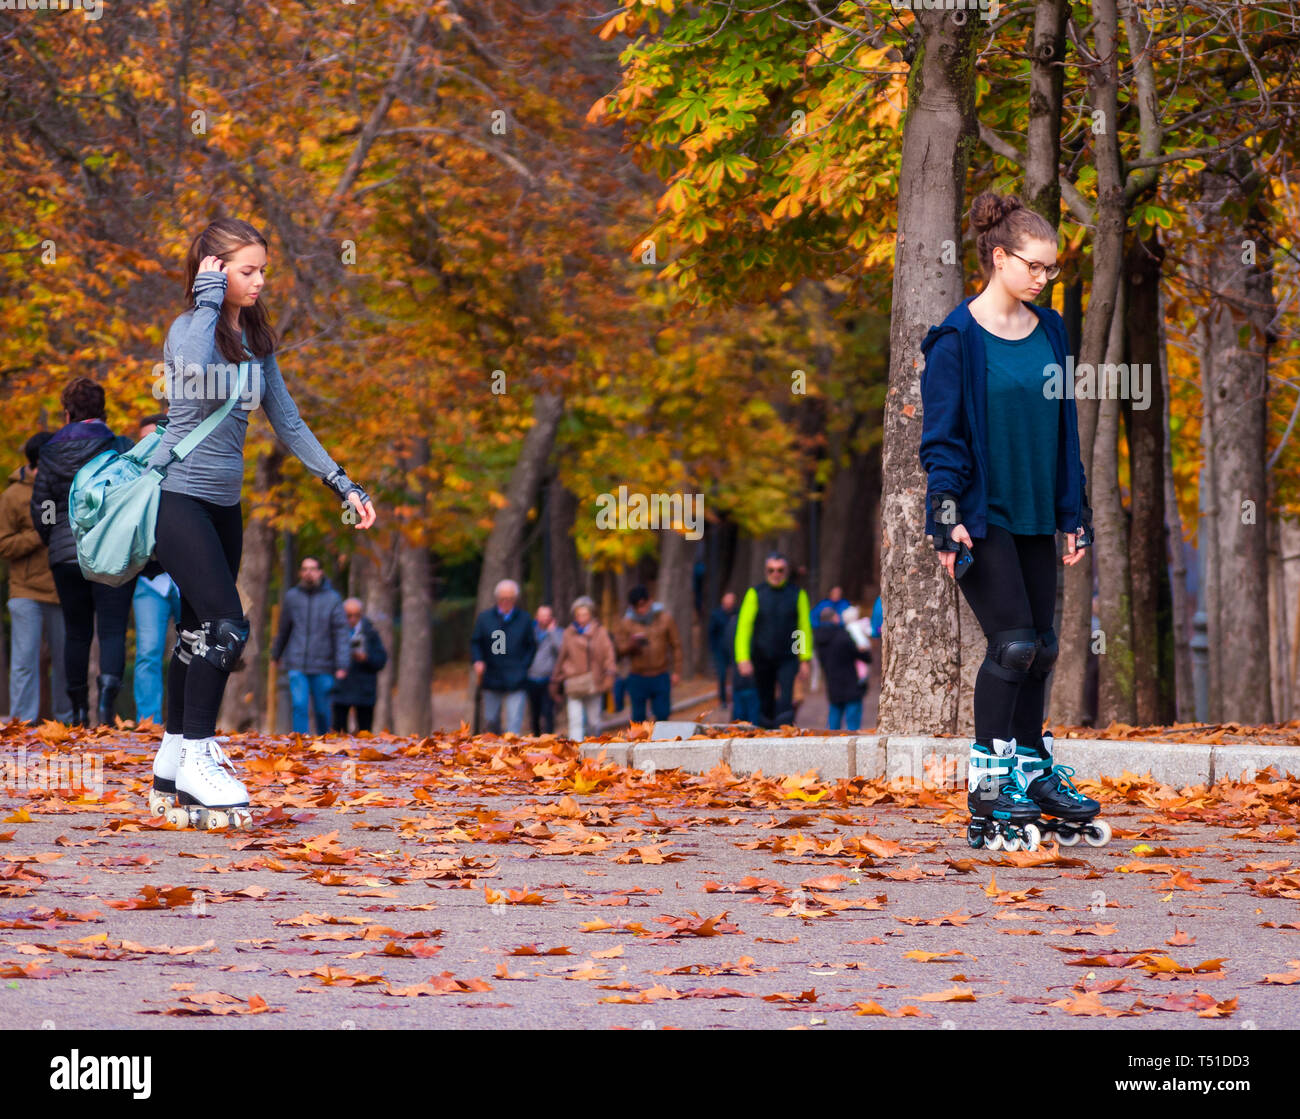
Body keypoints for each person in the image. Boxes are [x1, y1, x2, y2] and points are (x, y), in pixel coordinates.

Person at [143, 218, 376, 827]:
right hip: (178, 497)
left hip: (225, 504)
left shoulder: (255, 339)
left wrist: (341, 482)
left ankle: (173, 757)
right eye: (246, 270)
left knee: (196, 631)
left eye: (262, 269)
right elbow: (190, 372)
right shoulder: (188, 329)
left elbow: (289, 421)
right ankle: (197, 754)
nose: (259, 281)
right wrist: (208, 297)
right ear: (214, 271)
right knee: (227, 625)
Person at [919, 189, 1105, 852]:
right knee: (1014, 646)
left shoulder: (1050, 329)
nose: (1044, 278)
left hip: (1036, 512)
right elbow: (941, 440)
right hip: (981, 515)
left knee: (1044, 648)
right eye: (1035, 266)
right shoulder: (956, 340)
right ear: (999, 259)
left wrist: (1074, 512)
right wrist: (946, 519)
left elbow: (1064, 428)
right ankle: (990, 784)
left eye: (1051, 269)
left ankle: (1032, 772)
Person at [31, 379, 138, 727]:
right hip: (110, 550)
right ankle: (106, 706)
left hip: (65, 554)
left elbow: (44, 504)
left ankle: (77, 710)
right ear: (102, 410)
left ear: (67, 413)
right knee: (111, 630)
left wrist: (53, 534)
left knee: (76, 632)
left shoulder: (49, 452)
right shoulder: (119, 446)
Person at [1, 433, 71, 723]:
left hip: (61, 589)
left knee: (66, 662)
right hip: (25, 590)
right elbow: (4, 544)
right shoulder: (12, 496)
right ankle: (21, 722)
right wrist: (38, 535)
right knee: (24, 662)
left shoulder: (60, 489)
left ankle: (66, 721)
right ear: (39, 461)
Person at [131, 412, 183, 725]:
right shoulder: (133, 477)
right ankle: (148, 722)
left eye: (156, 437)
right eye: (145, 439)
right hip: (149, 580)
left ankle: (189, 722)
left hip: (186, 575)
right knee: (148, 653)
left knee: (195, 649)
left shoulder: (188, 471)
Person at [271, 557, 350, 735]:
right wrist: (276, 655)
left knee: (322, 710)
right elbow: (284, 628)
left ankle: (324, 743)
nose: (309, 572)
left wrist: (342, 664)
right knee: (299, 705)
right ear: (300, 572)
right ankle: (300, 744)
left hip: (324, 664)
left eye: (313, 569)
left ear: (320, 572)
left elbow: (341, 633)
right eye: (305, 569)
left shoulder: (332, 599)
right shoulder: (292, 597)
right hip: (297, 661)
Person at [733, 552, 812, 728]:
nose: (775, 574)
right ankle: (765, 734)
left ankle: (785, 733)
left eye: (780, 570)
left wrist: (804, 658)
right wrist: (743, 657)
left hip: (788, 657)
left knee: (786, 699)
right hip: (762, 656)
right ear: (766, 571)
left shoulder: (798, 594)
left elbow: (803, 628)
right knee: (764, 698)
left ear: (786, 571)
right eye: (771, 570)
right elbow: (744, 627)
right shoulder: (755, 593)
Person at [471, 579, 536, 736]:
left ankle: (512, 754)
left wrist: (524, 667)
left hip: (516, 677)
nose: (506, 602)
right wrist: (478, 660)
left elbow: (531, 646)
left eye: (510, 599)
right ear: (497, 599)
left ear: (515, 599)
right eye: (503, 599)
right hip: (491, 676)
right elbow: (476, 642)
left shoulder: (525, 619)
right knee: (491, 720)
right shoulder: (485, 618)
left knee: (514, 722)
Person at [612, 585, 681, 723]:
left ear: (650, 601)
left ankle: (662, 743)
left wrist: (677, 671)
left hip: (660, 674)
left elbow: (676, 645)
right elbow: (618, 650)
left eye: (644, 605)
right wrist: (631, 645)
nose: (641, 610)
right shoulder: (626, 623)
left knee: (663, 715)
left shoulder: (664, 618)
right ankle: (642, 744)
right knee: (638, 718)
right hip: (638, 676)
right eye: (637, 607)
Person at [551, 595, 615, 740]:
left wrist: (609, 672)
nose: (581, 618)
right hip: (574, 682)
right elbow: (562, 656)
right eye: (578, 614)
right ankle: (576, 751)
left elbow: (608, 653)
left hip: (594, 680)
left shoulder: (600, 632)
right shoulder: (569, 633)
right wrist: (556, 679)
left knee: (594, 721)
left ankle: (594, 749)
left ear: (591, 614)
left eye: (585, 614)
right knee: (575, 720)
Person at [331, 597, 388, 732]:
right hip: (340, 689)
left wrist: (366, 658)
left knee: (365, 734)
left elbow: (381, 660)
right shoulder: (335, 632)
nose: (352, 619)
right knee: (338, 735)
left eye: (356, 615)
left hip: (365, 690)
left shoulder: (370, 633)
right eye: (348, 615)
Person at [814, 606, 869, 731]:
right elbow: (862, 655)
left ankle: (832, 743)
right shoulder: (843, 635)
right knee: (853, 720)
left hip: (832, 680)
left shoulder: (818, 638)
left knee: (834, 715)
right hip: (850, 680)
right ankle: (853, 742)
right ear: (835, 618)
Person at [525, 604, 564, 735]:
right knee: (534, 713)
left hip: (549, 680)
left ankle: (549, 739)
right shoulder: (530, 632)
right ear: (536, 617)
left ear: (552, 618)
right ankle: (535, 738)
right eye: (542, 616)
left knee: (548, 712)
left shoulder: (558, 632)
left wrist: (552, 632)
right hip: (531, 678)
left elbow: (561, 650)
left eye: (547, 616)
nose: (544, 619)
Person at [706, 591, 737, 703]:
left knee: (735, 675)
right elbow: (711, 633)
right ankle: (723, 699)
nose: (729, 604)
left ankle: (734, 698)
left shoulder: (736, 613)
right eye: (727, 601)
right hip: (720, 650)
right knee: (722, 675)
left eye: (731, 602)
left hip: (734, 649)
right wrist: (713, 649)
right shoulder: (716, 615)